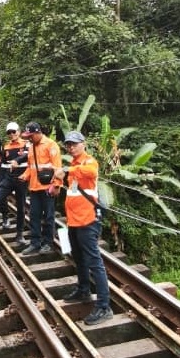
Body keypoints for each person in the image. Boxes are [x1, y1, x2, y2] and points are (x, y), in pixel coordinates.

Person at [51, 130, 112, 325]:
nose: (71, 147)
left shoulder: (89, 161)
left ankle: (104, 307)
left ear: (83, 144)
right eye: (68, 144)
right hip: (74, 221)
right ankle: (83, 289)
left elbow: (92, 173)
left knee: (95, 262)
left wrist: (67, 171)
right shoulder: (75, 164)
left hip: (88, 221)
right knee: (78, 257)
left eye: (74, 144)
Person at [20, 121, 61, 254]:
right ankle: (35, 243)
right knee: (34, 216)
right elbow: (30, 166)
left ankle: (48, 243)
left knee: (49, 216)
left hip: (47, 187)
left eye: (31, 136)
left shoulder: (51, 145)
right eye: (28, 136)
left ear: (38, 132)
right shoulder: (31, 147)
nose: (29, 138)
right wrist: (25, 176)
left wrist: (57, 185)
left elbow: (58, 167)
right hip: (34, 187)